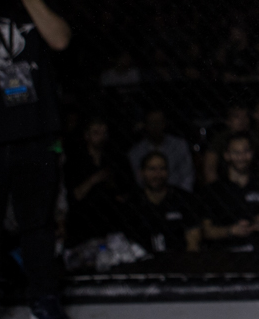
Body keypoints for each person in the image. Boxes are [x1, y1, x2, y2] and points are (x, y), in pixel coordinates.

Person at [0, 0, 73, 319]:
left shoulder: (30, 0)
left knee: (37, 223)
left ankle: (44, 297)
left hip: (35, 130)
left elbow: (59, 39)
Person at [201, 133, 259, 248]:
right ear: (227, 155)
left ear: (252, 153)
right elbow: (206, 231)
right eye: (236, 152)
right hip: (228, 252)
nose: (242, 157)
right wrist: (231, 230)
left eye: (246, 151)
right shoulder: (214, 190)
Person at [64, 117, 134, 246]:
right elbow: (74, 195)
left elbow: (129, 189)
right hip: (83, 224)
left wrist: (119, 195)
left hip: (113, 222)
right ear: (86, 135)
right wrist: (94, 179)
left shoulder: (116, 158)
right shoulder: (76, 161)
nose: (101, 137)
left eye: (104, 133)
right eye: (96, 133)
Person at [123, 151, 201, 254]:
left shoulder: (183, 198)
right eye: (152, 169)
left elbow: (193, 242)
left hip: (179, 259)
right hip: (142, 259)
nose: (157, 174)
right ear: (141, 173)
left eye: (162, 168)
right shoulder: (132, 203)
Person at [127, 108, 195, 193]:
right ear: (146, 125)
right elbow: (138, 180)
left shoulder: (180, 145)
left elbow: (187, 176)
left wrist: (182, 195)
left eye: (158, 122)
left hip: (176, 194)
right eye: (152, 123)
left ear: (164, 124)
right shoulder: (136, 152)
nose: (156, 126)